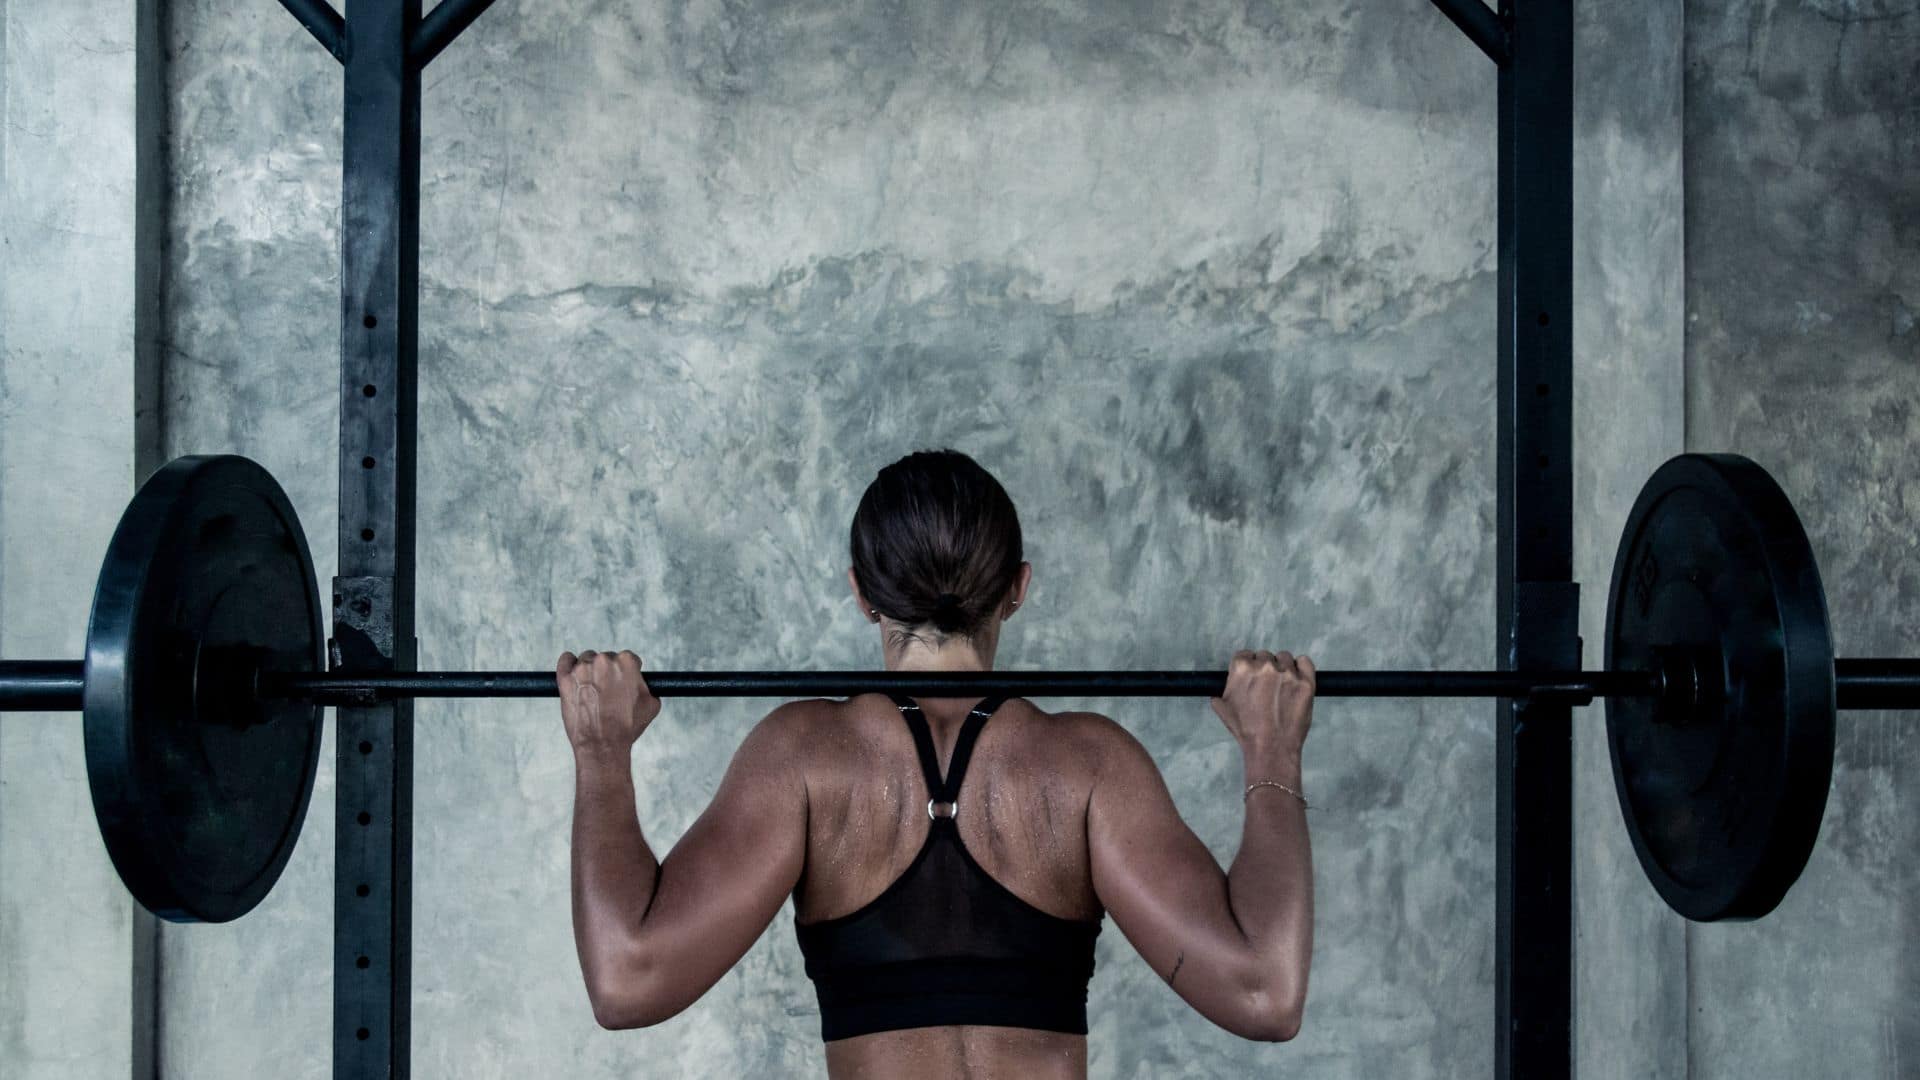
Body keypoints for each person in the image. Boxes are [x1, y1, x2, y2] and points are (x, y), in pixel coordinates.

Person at [559, 449, 1314, 1079]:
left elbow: (629, 980)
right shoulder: (1088, 766)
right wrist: (1271, 751)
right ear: (1017, 589)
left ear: (861, 594)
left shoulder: (804, 761)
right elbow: (1263, 993)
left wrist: (601, 752)